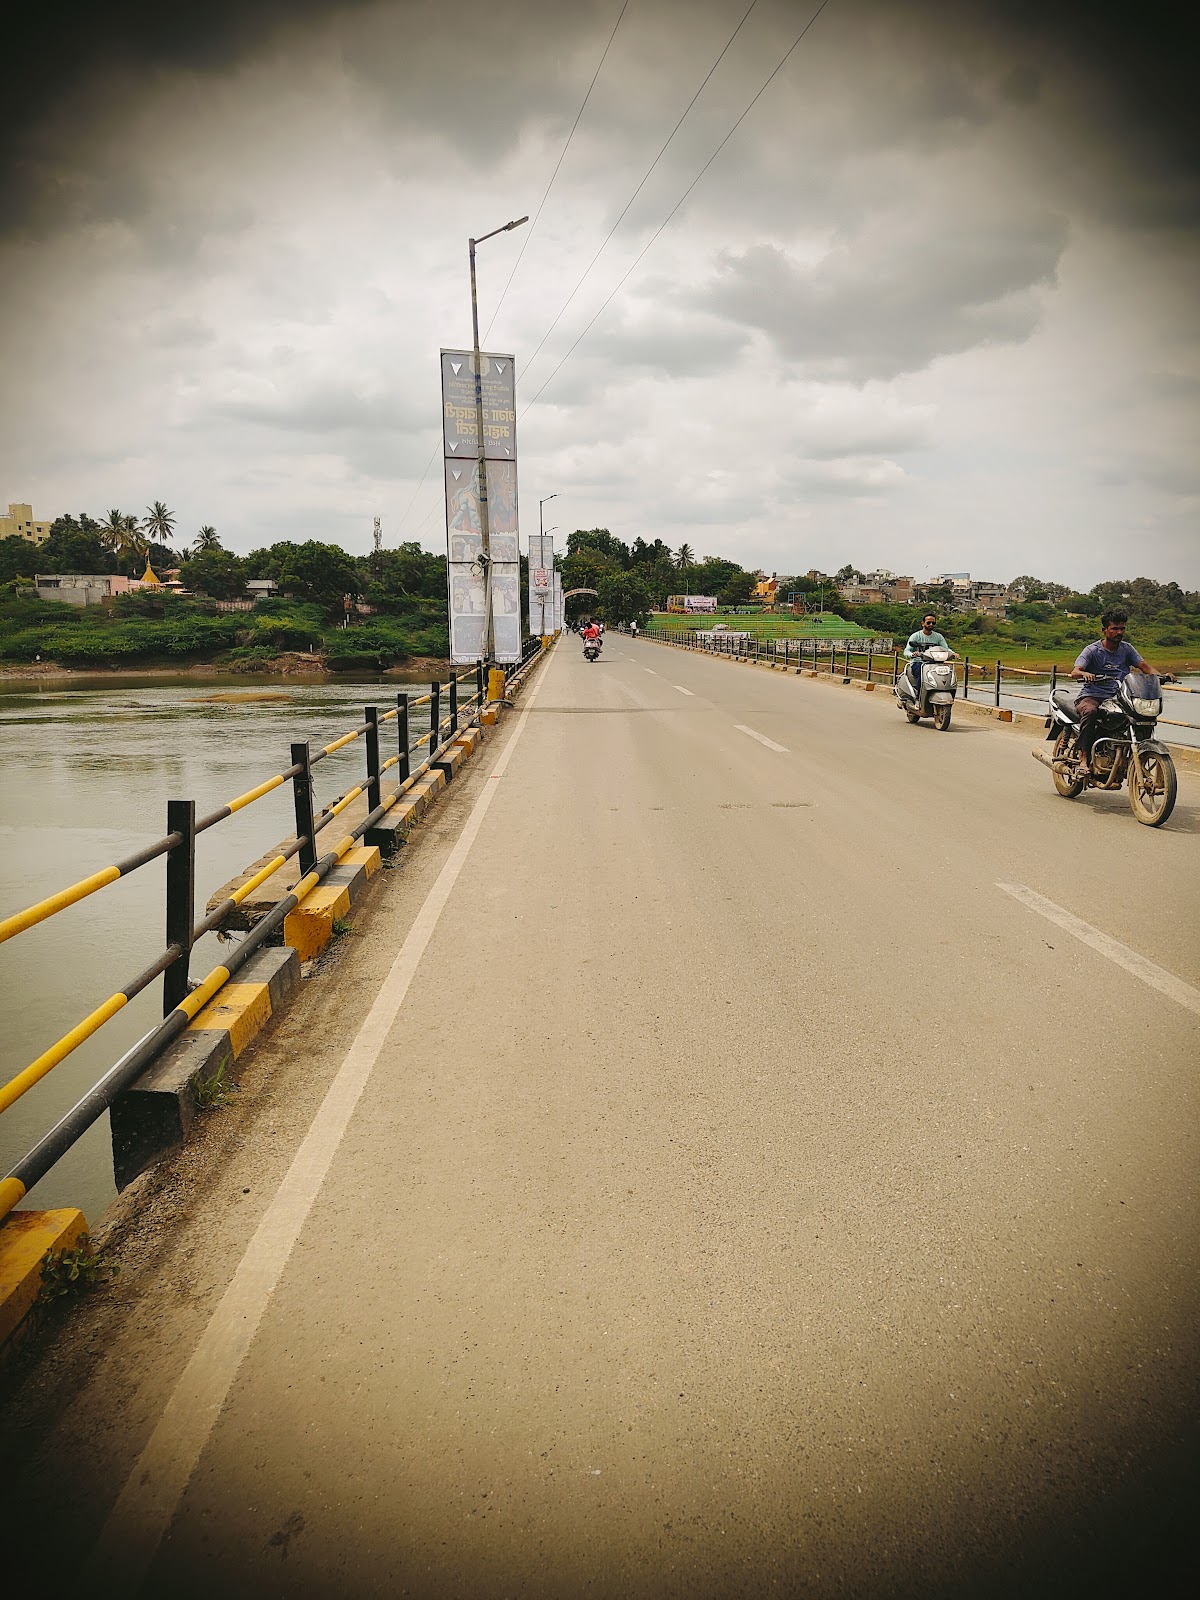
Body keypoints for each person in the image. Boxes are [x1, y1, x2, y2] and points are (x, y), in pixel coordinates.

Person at [1070, 608, 1175, 774]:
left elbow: (1144, 667)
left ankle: (1128, 754)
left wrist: (1161, 676)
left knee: (1137, 715)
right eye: (1114, 628)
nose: (1119, 632)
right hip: (1093, 695)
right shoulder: (1092, 650)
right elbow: (1075, 671)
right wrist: (1084, 674)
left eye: (1122, 628)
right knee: (1090, 711)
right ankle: (1084, 757)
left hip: (1119, 697)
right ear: (1104, 630)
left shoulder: (1127, 649)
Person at [904, 613, 956, 693]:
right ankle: (920, 694)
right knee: (922, 675)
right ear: (923, 623)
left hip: (935, 663)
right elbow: (906, 651)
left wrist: (953, 653)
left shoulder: (938, 636)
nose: (931, 624)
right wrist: (912, 654)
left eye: (933, 623)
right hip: (919, 663)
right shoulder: (915, 636)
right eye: (928, 622)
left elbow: (945, 648)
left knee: (946, 674)